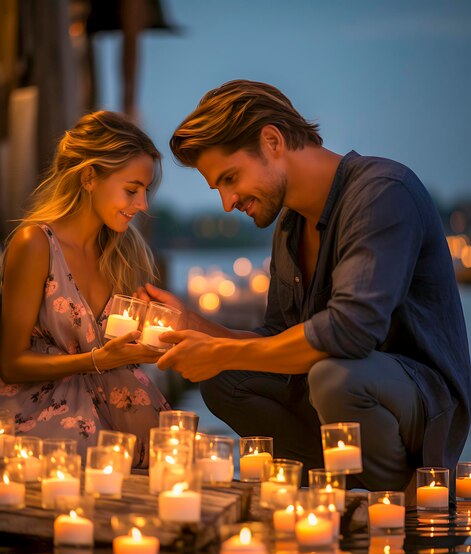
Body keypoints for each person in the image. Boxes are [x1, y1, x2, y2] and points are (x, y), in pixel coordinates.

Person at [140, 79, 471, 494]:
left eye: (230, 177)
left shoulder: (382, 192)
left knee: (335, 376)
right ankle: (322, 485)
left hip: (418, 409)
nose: (228, 202)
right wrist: (197, 326)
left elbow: (349, 332)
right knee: (226, 379)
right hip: (340, 404)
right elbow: (278, 340)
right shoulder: (290, 227)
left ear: (272, 141)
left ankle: (399, 496)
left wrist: (223, 349)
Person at [0, 110, 170, 464]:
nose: (142, 205)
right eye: (131, 190)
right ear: (90, 177)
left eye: (145, 192)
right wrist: (95, 360)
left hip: (114, 405)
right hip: (45, 416)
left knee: (180, 456)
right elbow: (10, 363)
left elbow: (118, 348)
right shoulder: (35, 244)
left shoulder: (123, 252)